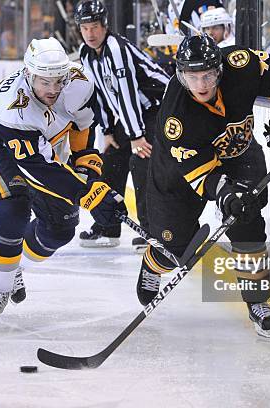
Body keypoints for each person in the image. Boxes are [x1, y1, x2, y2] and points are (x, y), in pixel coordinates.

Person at [136, 35, 270, 339]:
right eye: (192, 77)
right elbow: (201, 175)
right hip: (178, 171)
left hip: (238, 152)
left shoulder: (241, 65)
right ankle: (154, 264)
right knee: (173, 247)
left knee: (247, 220)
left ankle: (258, 302)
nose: (201, 84)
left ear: (220, 70)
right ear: (181, 75)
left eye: (207, 75)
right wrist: (225, 194)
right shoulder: (175, 118)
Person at [0, 37, 126, 329]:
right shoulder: (14, 109)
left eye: (58, 81)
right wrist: (87, 192)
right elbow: (36, 169)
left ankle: (13, 264)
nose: (53, 90)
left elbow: (82, 126)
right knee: (11, 210)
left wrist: (85, 162)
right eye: (44, 82)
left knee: (59, 229)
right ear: (28, 75)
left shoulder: (79, 84)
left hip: (42, 144)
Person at [75, 0, 170, 252]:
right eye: (85, 28)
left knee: (141, 162)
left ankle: (153, 232)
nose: (90, 33)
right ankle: (107, 227)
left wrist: (136, 136)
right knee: (109, 161)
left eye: (94, 26)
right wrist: (106, 131)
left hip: (158, 108)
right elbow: (100, 94)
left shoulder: (116, 48)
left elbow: (128, 93)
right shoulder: (86, 54)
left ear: (104, 25)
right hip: (135, 115)